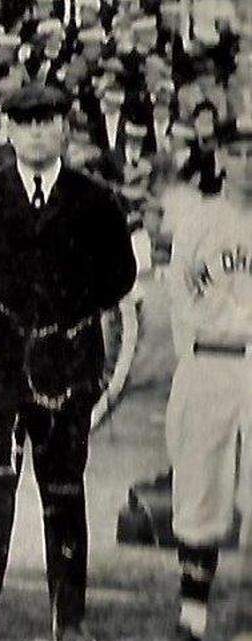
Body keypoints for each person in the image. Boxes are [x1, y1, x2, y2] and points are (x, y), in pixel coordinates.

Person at [0, 83, 137, 641]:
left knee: (65, 491)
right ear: (9, 132)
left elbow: (119, 275)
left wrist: (61, 321)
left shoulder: (95, 200)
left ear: (65, 131)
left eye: (50, 122)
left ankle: (69, 622)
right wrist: (4, 315)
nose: (39, 132)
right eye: (27, 123)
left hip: (66, 371)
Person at [163, 117, 252, 641]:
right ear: (220, 160)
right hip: (208, 360)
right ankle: (192, 613)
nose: (248, 164)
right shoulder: (198, 220)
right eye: (238, 153)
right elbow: (183, 297)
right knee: (199, 487)